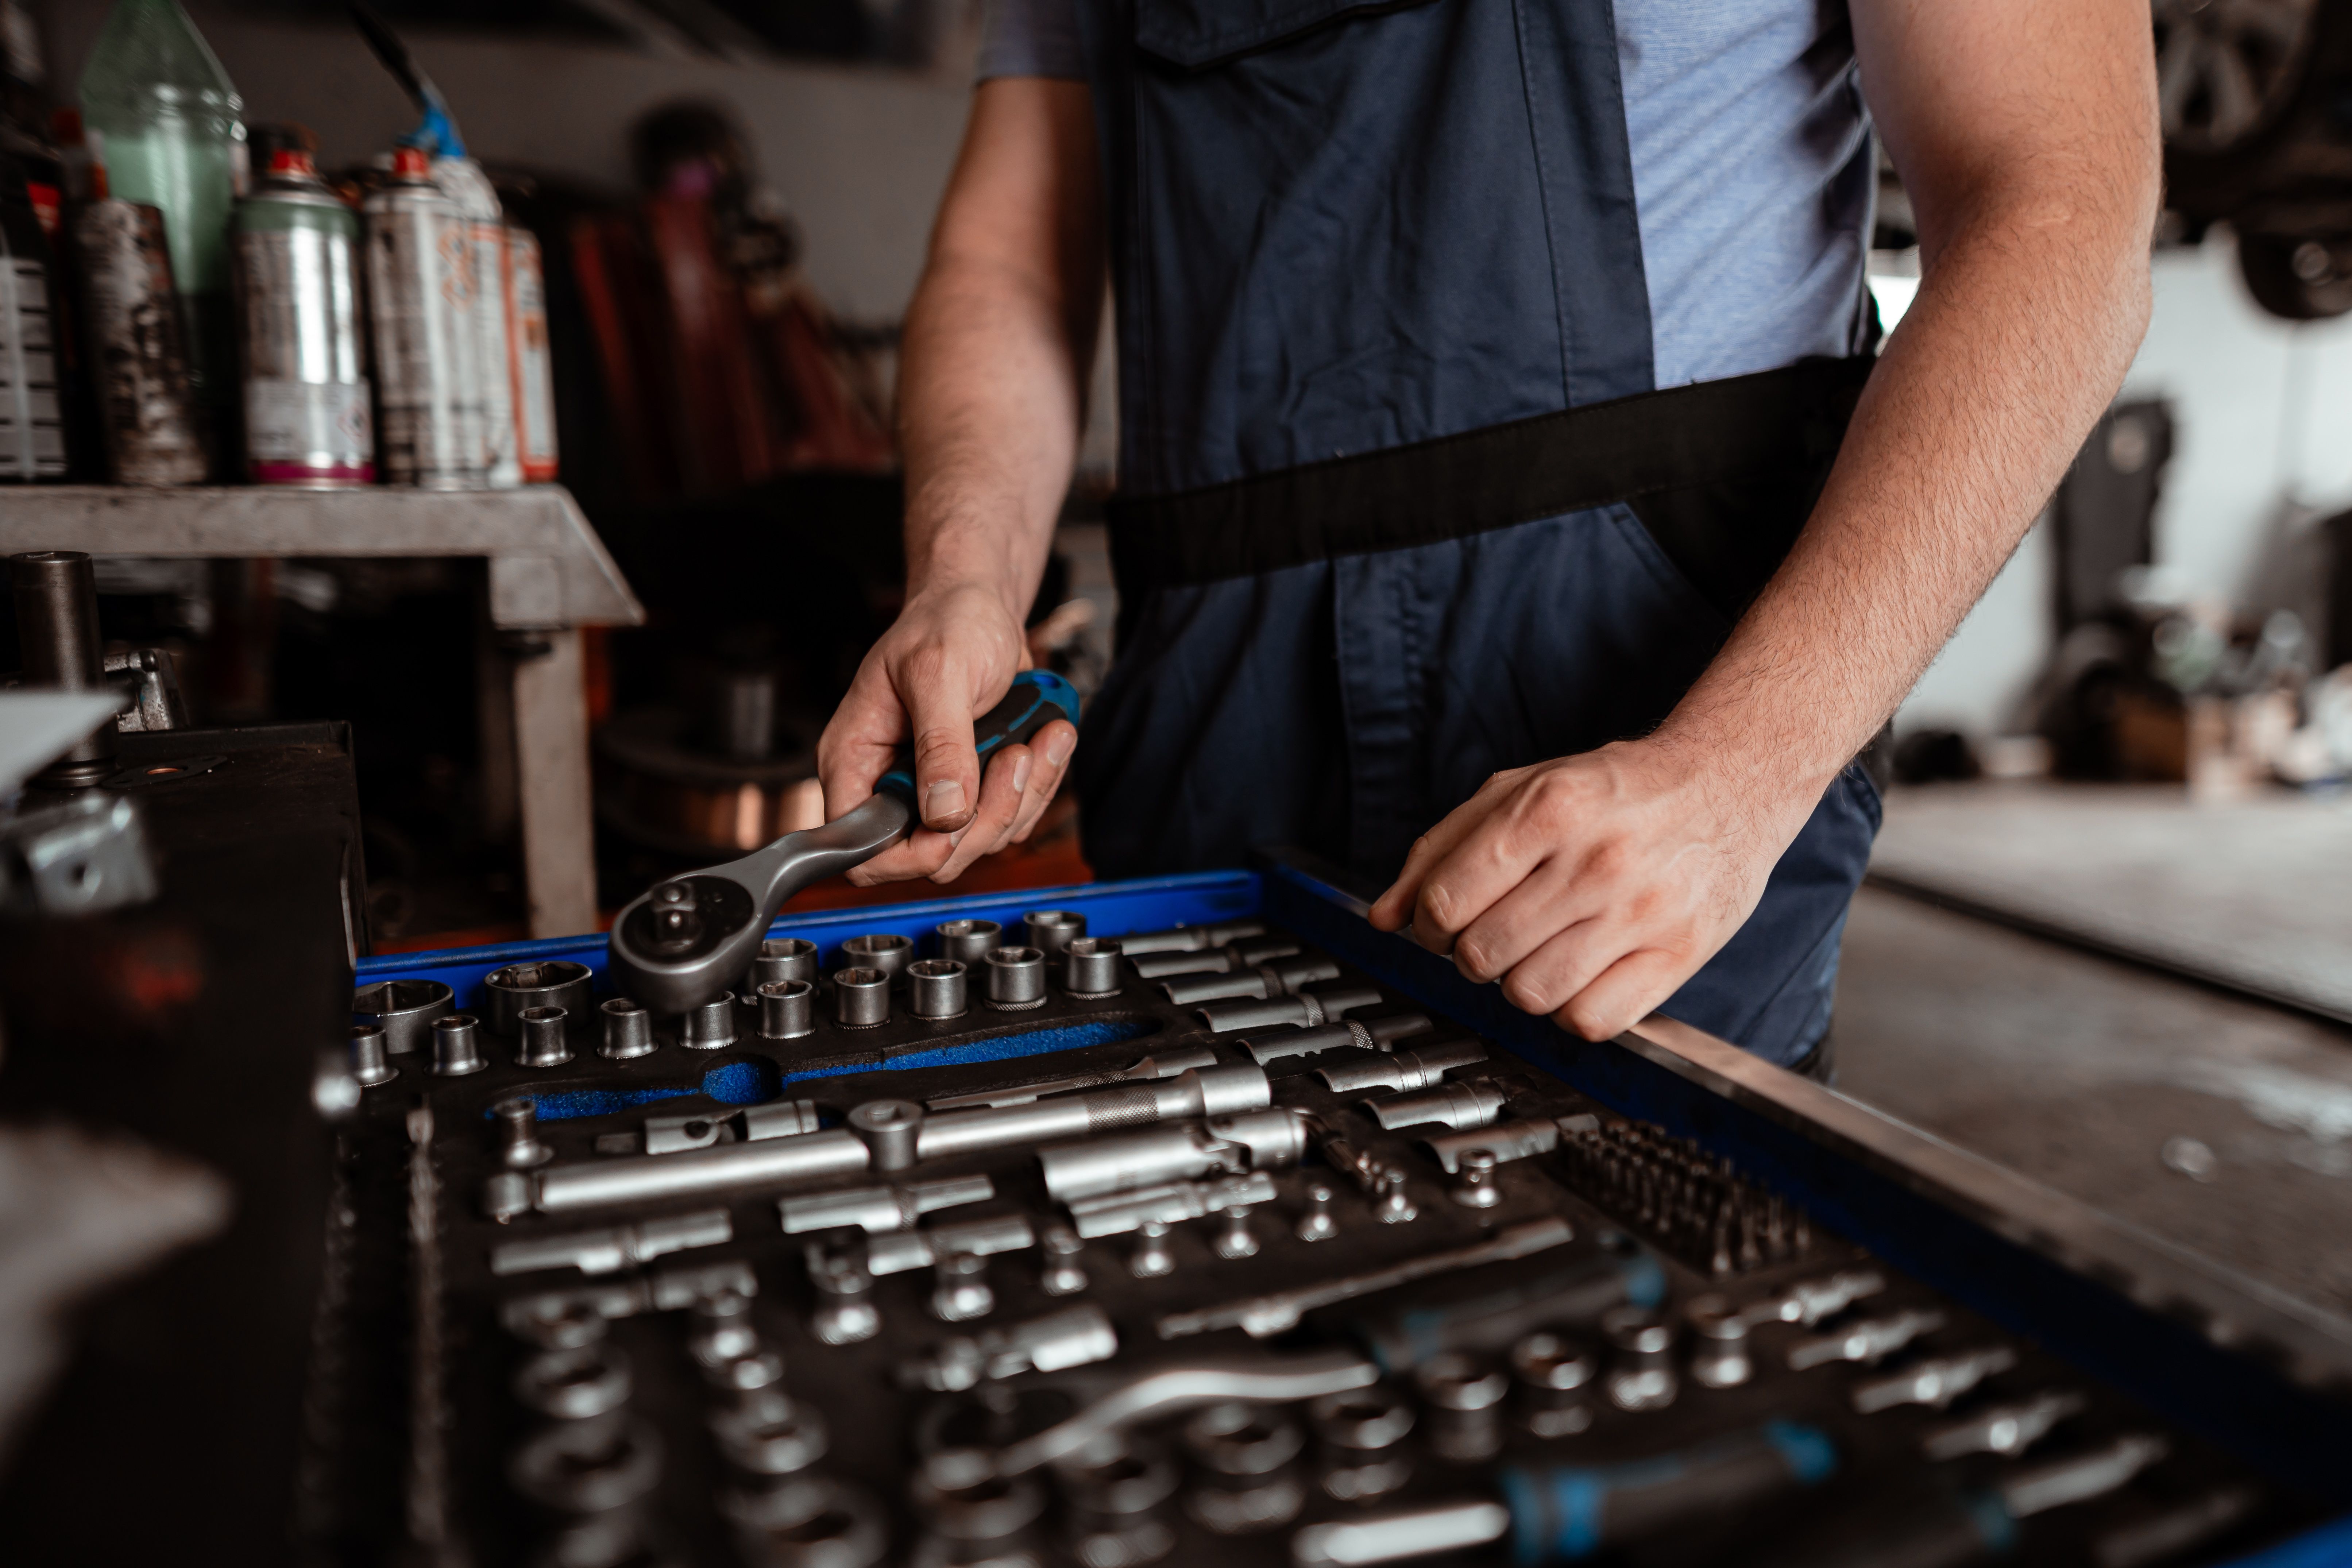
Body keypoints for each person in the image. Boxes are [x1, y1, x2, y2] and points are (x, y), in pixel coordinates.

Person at [815, 0, 2159, 1070]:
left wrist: (1742, 776)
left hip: (1654, 746)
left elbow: (2058, 207)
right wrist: (964, 577)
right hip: (1218, 747)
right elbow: (1010, 261)